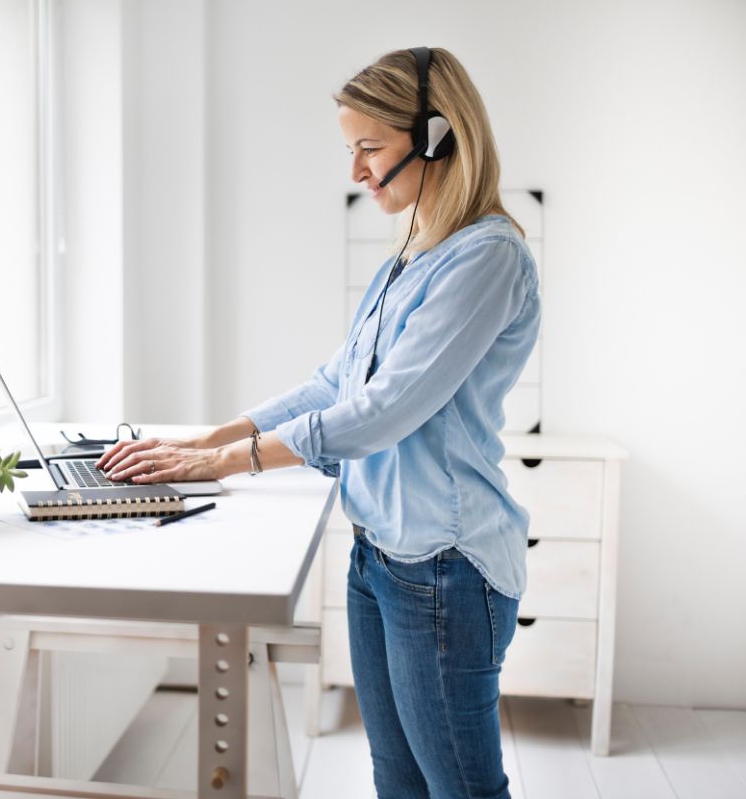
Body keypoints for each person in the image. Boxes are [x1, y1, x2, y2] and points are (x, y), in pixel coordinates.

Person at [95, 46, 539, 799]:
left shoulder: (487, 257)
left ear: (437, 137)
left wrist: (225, 464)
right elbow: (335, 384)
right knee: (397, 778)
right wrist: (206, 439)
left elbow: (382, 411)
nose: (357, 170)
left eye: (371, 148)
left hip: (445, 564)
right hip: (378, 555)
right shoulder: (409, 258)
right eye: (351, 150)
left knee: (461, 789)